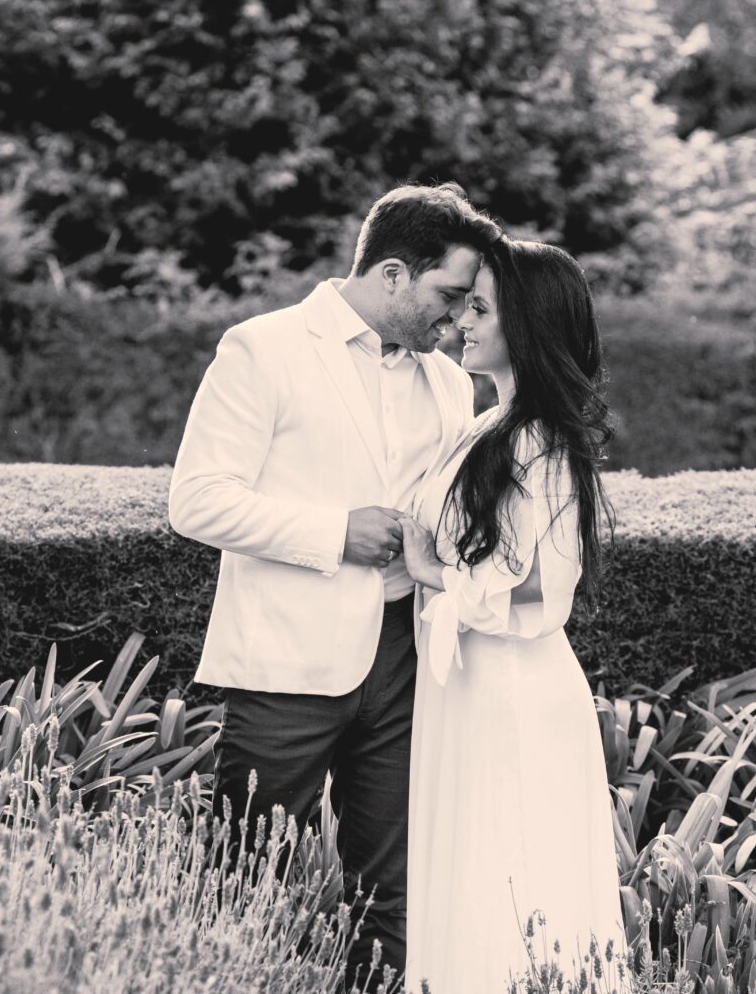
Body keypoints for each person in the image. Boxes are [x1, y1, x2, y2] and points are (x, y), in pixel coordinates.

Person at [168, 182, 502, 989]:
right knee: (246, 881)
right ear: (392, 274)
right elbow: (197, 500)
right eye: (448, 294)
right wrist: (334, 532)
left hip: (407, 659)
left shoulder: (449, 381)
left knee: (395, 892)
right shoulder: (263, 348)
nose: (457, 318)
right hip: (285, 664)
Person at [400, 236, 627, 992]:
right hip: (467, 683)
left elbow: (541, 586)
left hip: (511, 689)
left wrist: (432, 574)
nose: (461, 322)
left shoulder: (541, 438)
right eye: (464, 305)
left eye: (480, 309)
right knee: (473, 874)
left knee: (511, 875)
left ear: (526, 324)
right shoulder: (487, 424)